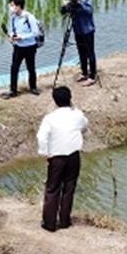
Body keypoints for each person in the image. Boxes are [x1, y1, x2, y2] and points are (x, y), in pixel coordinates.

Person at [37, 86, 88, 232]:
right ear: (70, 98)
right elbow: (85, 125)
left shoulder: (50, 118)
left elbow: (41, 137)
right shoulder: (77, 114)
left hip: (56, 157)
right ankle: (65, 221)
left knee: (52, 189)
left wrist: (45, 153)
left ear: (55, 101)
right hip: (74, 155)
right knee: (69, 188)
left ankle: (49, 223)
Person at [1, 0, 40, 98]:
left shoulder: (29, 17)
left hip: (30, 47)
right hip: (18, 47)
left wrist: (22, 37)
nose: (11, 7)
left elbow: (35, 33)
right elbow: (12, 31)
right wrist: (11, 37)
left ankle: (33, 87)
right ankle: (13, 90)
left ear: (18, 6)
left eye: (12, 5)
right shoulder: (13, 18)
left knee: (31, 68)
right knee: (14, 68)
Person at [62, 0, 97, 87]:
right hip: (77, 30)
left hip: (87, 30)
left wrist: (79, 2)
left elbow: (89, 11)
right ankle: (84, 72)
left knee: (90, 53)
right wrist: (66, 6)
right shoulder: (71, 0)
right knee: (81, 52)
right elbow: (63, 12)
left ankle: (92, 76)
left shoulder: (86, 0)